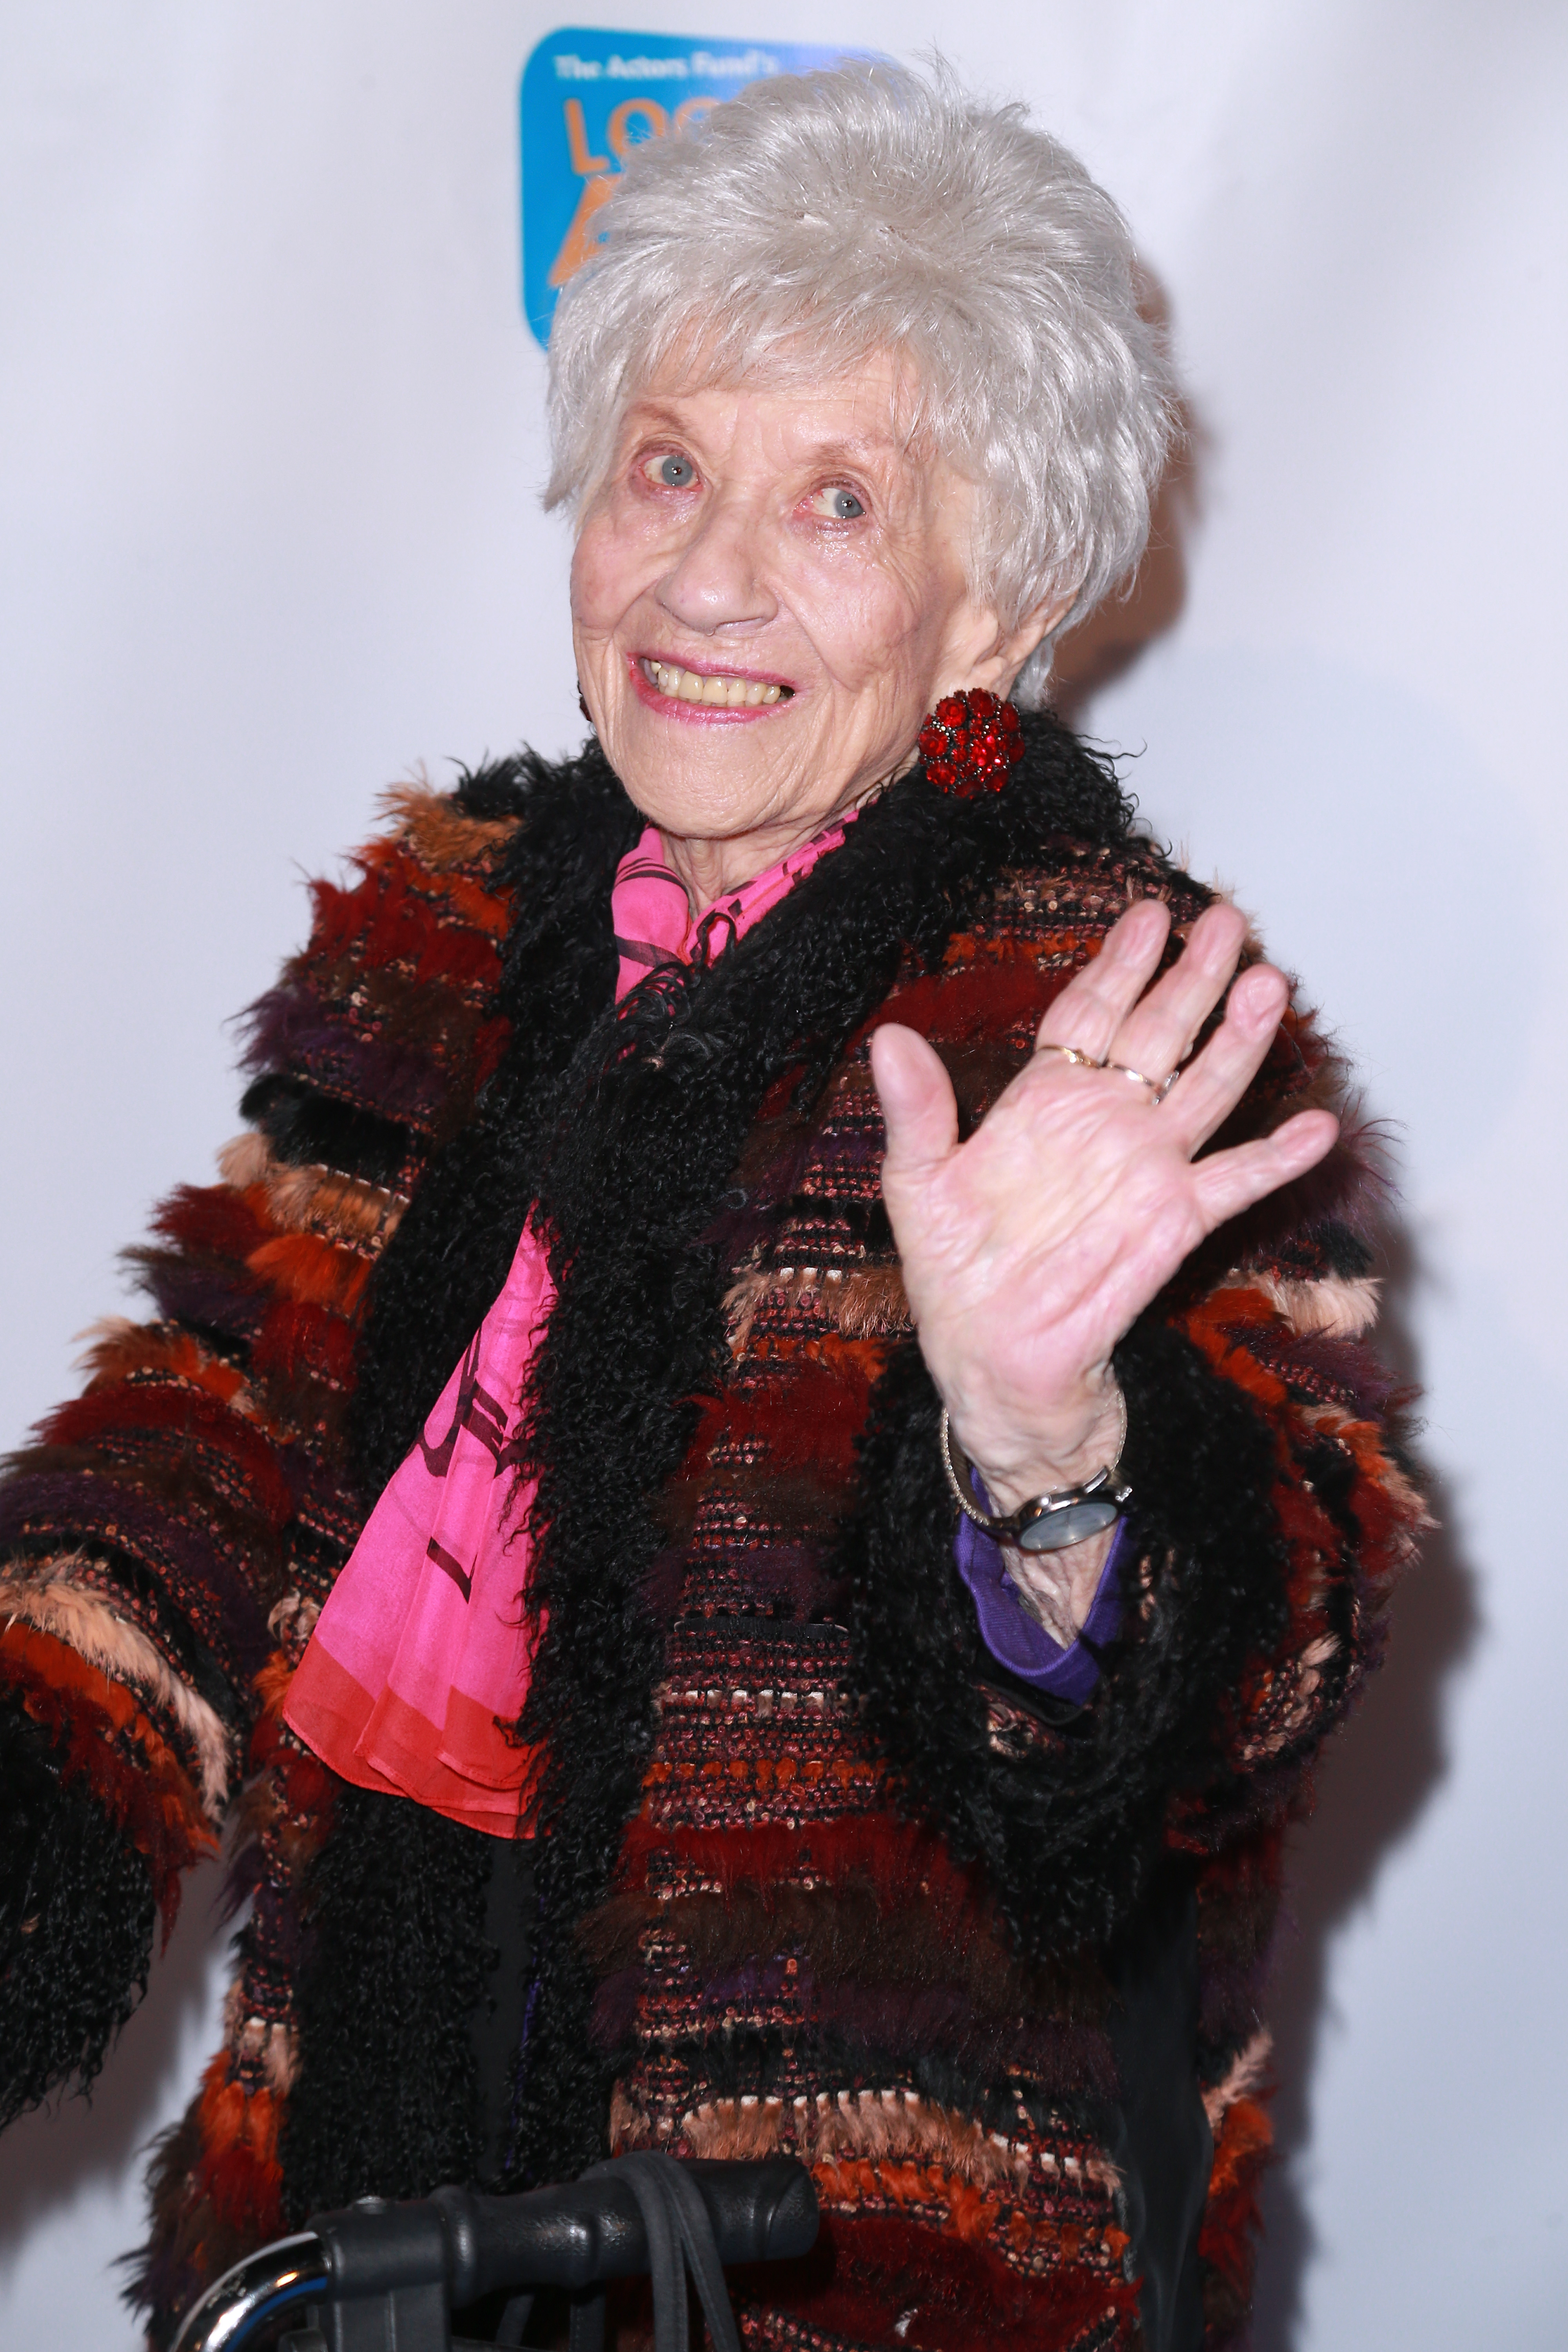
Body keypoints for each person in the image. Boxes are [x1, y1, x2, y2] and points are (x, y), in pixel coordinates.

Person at [0, 61, 1421, 2352]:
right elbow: (202, 1440)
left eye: (838, 501)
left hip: (825, 2249)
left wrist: (1036, 1449)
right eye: (669, 468)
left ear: (995, 605)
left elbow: (1254, 1679)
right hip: (370, 2151)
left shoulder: (1125, 1038)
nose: (708, 576)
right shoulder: (452, 930)